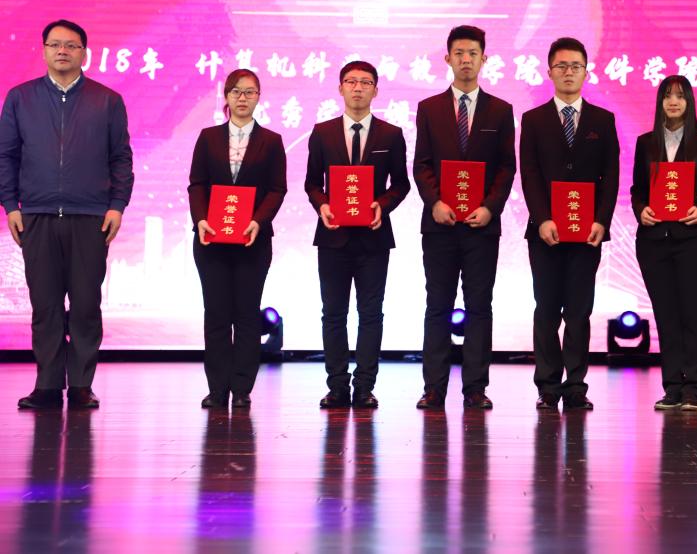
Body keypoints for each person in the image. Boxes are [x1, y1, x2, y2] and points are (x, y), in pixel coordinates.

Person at [0, 19, 134, 410]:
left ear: (84, 53)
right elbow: (6, 156)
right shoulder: (20, 98)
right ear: (43, 50)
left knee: (86, 305)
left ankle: (80, 385)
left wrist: (117, 205)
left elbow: (120, 158)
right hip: (37, 214)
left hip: (90, 216)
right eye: (55, 44)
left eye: (71, 45)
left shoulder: (107, 100)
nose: (62, 51)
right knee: (45, 305)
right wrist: (11, 205)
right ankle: (46, 385)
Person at [412, 25, 516, 410]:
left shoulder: (500, 111)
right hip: (439, 225)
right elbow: (421, 164)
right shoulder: (429, 108)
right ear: (448, 59)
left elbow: (506, 167)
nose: (466, 60)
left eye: (473, 53)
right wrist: (435, 202)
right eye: (459, 53)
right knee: (437, 306)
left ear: (484, 59)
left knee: (479, 307)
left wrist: (490, 207)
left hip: (481, 227)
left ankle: (475, 388)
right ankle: (434, 388)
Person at [520, 37, 619, 411]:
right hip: (545, 233)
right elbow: (530, 174)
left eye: (575, 66)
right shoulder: (533, 120)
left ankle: (576, 385)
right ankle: (548, 385)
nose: (568, 72)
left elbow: (611, 175)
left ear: (586, 72)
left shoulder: (602, 120)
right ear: (549, 72)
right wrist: (542, 218)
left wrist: (602, 221)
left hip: (587, 233)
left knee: (579, 311)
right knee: (546, 310)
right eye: (561, 66)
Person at [305, 60, 410, 409]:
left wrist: (383, 205)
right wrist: (322, 205)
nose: (358, 88)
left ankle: (364, 386)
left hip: (373, 238)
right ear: (340, 88)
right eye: (351, 81)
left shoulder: (391, 135)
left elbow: (401, 184)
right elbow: (311, 183)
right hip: (333, 236)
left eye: (365, 82)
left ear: (376, 91)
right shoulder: (322, 132)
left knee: (371, 314)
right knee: (333, 314)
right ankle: (337, 386)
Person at [188, 69, 287, 409]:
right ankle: (217, 389)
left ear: (258, 97)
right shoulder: (208, 137)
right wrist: (201, 219)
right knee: (216, 314)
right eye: (236, 91)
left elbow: (277, 189)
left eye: (250, 92)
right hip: (211, 240)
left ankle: (242, 388)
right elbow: (197, 184)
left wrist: (259, 221)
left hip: (252, 241)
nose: (242, 98)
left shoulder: (271, 141)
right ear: (226, 97)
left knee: (246, 315)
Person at [631, 75, 697, 412]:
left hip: (691, 240)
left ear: (689, 103)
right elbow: (637, 190)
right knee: (666, 316)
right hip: (654, 241)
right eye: (667, 96)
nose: (673, 102)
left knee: (693, 314)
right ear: (659, 102)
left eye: (680, 96)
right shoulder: (646, 142)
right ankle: (672, 387)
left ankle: (693, 389)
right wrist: (641, 210)